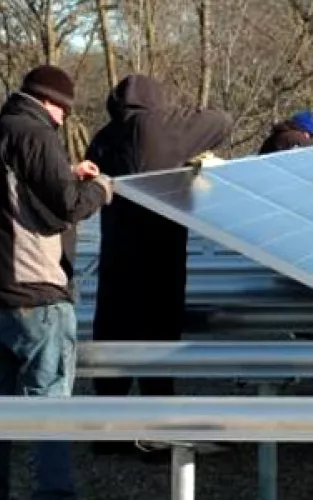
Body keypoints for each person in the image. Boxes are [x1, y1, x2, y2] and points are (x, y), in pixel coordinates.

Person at [85, 74, 233, 454]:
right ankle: (154, 430)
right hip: (159, 253)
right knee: (156, 342)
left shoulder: (104, 137)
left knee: (113, 338)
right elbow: (221, 121)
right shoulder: (163, 126)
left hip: (117, 252)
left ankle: (106, 433)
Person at [0, 65, 113, 499]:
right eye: (63, 109)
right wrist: (100, 190)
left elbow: (19, 194)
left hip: (3, 296)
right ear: (49, 102)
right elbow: (65, 205)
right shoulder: (35, 133)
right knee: (50, 411)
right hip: (37, 294)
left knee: (4, 417)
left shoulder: (7, 130)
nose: (64, 117)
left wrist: (65, 169)